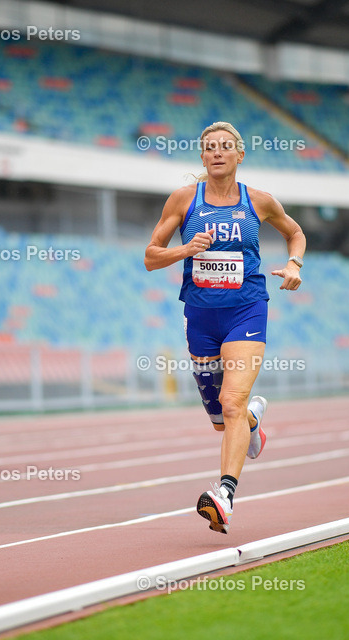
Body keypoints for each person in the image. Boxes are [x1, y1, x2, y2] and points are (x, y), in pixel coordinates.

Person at [144, 121, 306, 533]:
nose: (217, 153)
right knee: (221, 418)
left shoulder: (259, 201)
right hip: (200, 316)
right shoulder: (183, 200)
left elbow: (295, 232)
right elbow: (150, 256)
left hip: (246, 310)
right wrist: (186, 248)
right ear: (203, 157)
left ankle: (225, 494)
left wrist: (293, 264)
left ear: (239, 154)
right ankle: (252, 423)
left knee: (231, 402)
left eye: (225, 147)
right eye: (210, 147)